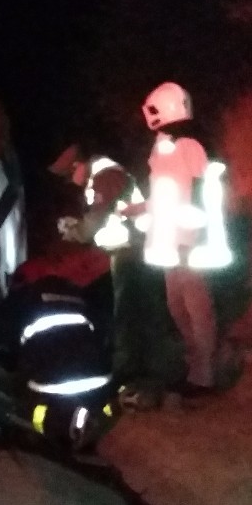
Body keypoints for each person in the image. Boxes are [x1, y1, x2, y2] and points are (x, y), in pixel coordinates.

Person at [126, 82, 229, 399]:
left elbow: (205, 187)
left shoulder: (188, 146)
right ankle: (196, 363)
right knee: (177, 305)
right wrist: (141, 208)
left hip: (189, 239)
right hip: (169, 240)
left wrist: (198, 228)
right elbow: (166, 193)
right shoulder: (163, 147)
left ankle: (203, 375)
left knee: (196, 306)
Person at [49, 145, 164, 406]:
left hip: (133, 253)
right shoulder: (100, 177)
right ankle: (139, 372)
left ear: (79, 164)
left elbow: (96, 220)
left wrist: (74, 232)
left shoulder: (105, 176)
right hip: (126, 252)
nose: (70, 181)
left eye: (69, 174)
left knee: (129, 315)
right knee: (133, 314)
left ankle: (134, 375)